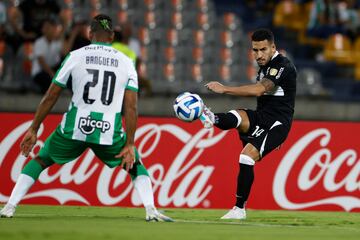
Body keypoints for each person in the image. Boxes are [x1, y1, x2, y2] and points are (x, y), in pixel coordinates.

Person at [0, 14, 173, 222]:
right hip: (109, 129)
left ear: (90, 34)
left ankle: (9, 206)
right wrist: (130, 143)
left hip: (76, 126)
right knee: (135, 164)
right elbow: (131, 106)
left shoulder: (75, 56)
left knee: (41, 160)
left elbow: (51, 95)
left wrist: (34, 128)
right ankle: (150, 209)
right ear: (111, 37)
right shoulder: (126, 62)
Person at [200, 28, 297, 219]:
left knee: (246, 157)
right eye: (255, 50)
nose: (259, 55)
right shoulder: (265, 66)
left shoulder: (282, 65)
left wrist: (224, 89)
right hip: (263, 117)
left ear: (273, 47)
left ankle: (239, 210)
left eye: (263, 50)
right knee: (237, 115)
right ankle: (211, 118)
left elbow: (260, 90)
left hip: (277, 123)